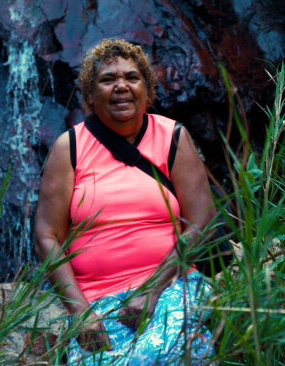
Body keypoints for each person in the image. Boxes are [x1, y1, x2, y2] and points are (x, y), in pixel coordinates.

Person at [35, 38, 216, 364]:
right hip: (96, 302)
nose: (121, 86)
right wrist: (78, 312)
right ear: (90, 95)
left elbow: (203, 220)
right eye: (107, 80)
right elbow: (47, 235)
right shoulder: (69, 148)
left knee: (164, 353)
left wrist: (152, 289)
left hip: (172, 287)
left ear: (148, 91)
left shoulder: (173, 137)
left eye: (132, 78)